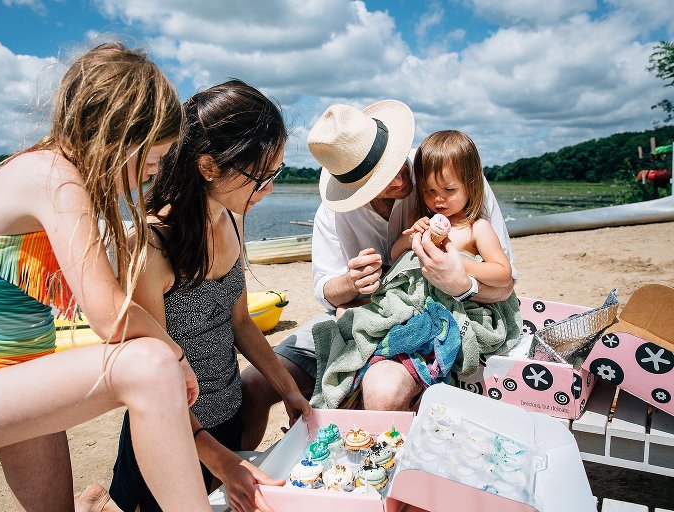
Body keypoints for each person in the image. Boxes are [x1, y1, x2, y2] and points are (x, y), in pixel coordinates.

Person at [0, 42, 212, 511]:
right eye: (154, 160)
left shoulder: (42, 170)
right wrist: (177, 354)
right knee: (150, 365)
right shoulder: (51, 176)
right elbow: (111, 317)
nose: (151, 177)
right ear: (119, 139)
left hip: (12, 382)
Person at [240, 100, 516, 450]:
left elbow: (506, 285)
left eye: (398, 164)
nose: (401, 179)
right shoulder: (333, 213)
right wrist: (350, 283)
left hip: (428, 314)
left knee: (382, 391)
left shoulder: (445, 170)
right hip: (359, 315)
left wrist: (462, 284)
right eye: (381, 180)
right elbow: (327, 292)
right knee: (252, 386)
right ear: (352, 187)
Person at [107, 80, 311, 512]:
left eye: (276, 173)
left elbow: (239, 323)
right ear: (207, 166)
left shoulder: (233, 220)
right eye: (261, 176)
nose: (269, 189)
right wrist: (221, 461)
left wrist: (288, 391)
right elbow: (150, 375)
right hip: (169, 434)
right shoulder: (149, 246)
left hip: (228, 413)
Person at [390, 130, 513, 287]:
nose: (438, 199)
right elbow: (394, 255)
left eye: (449, 190)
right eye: (429, 191)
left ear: (471, 186)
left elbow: (503, 274)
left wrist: (456, 264)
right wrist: (411, 238)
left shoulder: (476, 228)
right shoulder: (422, 222)